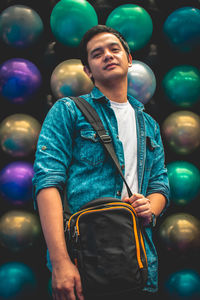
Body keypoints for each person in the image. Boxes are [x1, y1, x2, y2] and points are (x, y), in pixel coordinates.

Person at [32, 25, 170, 300]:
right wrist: (60, 262)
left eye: (114, 49)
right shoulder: (68, 110)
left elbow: (160, 184)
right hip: (83, 259)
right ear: (88, 71)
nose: (107, 55)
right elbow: (47, 183)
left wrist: (150, 207)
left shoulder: (150, 125)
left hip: (137, 259)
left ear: (129, 59)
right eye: (97, 54)